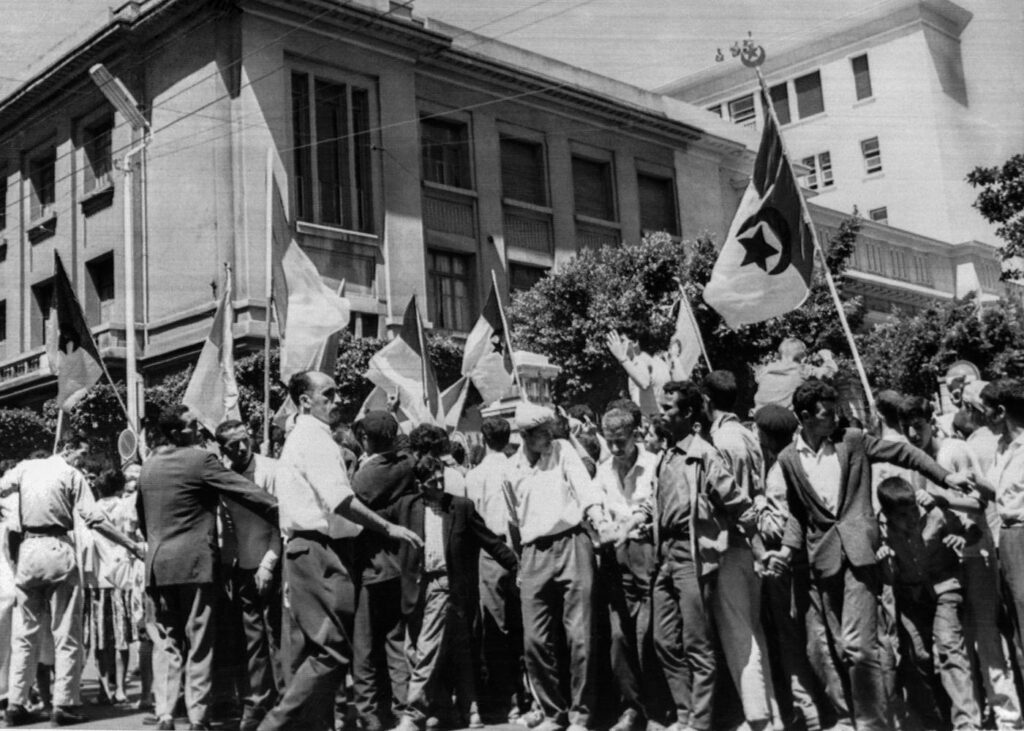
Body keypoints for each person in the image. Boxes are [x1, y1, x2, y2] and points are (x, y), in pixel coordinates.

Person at [764, 379, 974, 731]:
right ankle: (868, 718)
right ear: (804, 417)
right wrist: (786, 551)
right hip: (824, 558)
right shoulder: (787, 459)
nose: (835, 419)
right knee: (843, 649)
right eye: (826, 414)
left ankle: (871, 723)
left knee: (859, 646)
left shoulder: (853, 442)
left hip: (861, 556)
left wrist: (945, 477)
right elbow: (799, 516)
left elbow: (903, 453)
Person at [258, 373, 422, 731]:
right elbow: (341, 501)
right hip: (319, 550)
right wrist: (389, 527)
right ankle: (273, 726)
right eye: (327, 395)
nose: (337, 400)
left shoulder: (306, 437)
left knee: (311, 652)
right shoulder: (314, 439)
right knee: (332, 650)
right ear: (305, 401)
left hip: (308, 550)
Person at [137, 406, 280, 731]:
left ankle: (165, 714)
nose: (200, 431)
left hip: (158, 566)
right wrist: (283, 509)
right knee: (199, 641)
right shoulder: (201, 461)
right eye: (192, 426)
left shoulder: (149, 466)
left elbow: (143, 520)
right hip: (196, 566)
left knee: (167, 641)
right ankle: (199, 718)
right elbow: (244, 490)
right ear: (175, 433)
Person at [624, 380, 755, 731]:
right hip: (663, 554)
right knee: (663, 639)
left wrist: (759, 546)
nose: (661, 413)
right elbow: (657, 500)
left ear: (688, 415)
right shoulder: (665, 456)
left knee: (698, 643)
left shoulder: (703, 455)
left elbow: (738, 502)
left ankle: (700, 721)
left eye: (669, 409)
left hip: (692, 554)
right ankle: (684, 713)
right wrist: (641, 518)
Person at [899, 394, 1024, 729]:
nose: (912, 433)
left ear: (930, 422)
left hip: (977, 554)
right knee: (959, 646)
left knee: (987, 639)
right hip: (947, 562)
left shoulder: (951, 451)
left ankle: (1008, 718)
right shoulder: (917, 460)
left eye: (918, 425)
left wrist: (942, 497)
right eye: (906, 427)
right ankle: (978, 716)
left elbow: (979, 502)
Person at [0, 437, 141, 727]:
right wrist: (131, 544)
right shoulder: (70, 474)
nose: (83, 459)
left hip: (28, 551)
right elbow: (94, 518)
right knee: (66, 631)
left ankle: (16, 703)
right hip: (57, 548)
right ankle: (63, 703)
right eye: (82, 452)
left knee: (24, 633)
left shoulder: (26, 468)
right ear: (66, 449)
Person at [386, 455, 518, 731]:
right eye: (433, 481)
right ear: (420, 484)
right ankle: (465, 710)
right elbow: (378, 523)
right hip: (416, 588)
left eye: (441, 479)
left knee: (426, 647)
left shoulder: (461, 507)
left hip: (447, 586)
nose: (439, 484)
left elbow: (490, 540)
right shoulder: (405, 507)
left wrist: (517, 565)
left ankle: (413, 713)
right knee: (449, 650)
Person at [503, 402, 613, 731]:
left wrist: (600, 521)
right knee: (535, 641)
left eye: (551, 430)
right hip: (533, 553)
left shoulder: (563, 450)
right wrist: (521, 563)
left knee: (580, 636)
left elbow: (586, 490)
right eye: (542, 433)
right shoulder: (510, 469)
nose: (550, 437)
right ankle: (553, 713)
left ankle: (581, 714)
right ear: (524, 435)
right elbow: (512, 520)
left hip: (572, 544)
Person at [701, 371, 778, 731]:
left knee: (739, 634)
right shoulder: (747, 434)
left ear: (706, 401)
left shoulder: (718, 442)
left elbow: (727, 498)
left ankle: (757, 717)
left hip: (732, 544)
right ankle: (770, 712)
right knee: (753, 628)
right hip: (753, 542)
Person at [875, 476, 982, 730]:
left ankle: (967, 723)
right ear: (888, 516)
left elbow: (974, 530)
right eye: (902, 515)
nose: (911, 518)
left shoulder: (935, 512)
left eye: (913, 510)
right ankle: (939, 718)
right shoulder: (881, 528)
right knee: (920, 657)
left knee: (948, 646)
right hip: (912, 596)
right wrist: (884, 563)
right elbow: (889, 579)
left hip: (945, 586)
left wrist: (964, 540)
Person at [754, 406, 827, 731]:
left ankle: (809, 710)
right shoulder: (800, 459)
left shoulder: (777, 471)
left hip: (787, 562)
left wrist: (756, 511)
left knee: (792, 637)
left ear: (765, 436)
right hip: (810, 557)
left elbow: (777, 525)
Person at [214, 419, 284, 731]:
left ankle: (285, 705)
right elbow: (227, 527)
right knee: (253, 643)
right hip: (243, 569)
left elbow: (280, 520)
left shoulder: (271, 469)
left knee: (277, 639)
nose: (242, 447)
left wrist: (268, 563)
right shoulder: (224, 478)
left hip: (271, 563)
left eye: (245, 440)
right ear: (222, 449)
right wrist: (230, 568)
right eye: (233, 445)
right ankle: (259, 702)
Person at [593, 407, 660, 731]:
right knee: (620, 637)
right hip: (614, 559)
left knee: (650, 634)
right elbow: (596, 505)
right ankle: (631, 708)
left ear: (636, 434)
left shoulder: (654, 465)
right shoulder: (603, 470)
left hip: (647, 554)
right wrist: (604, 526)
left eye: (621, 442)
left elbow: (652, 507)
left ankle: (660, 709)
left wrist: (629, 525)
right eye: (610, 443)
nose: (616, 449)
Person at [351, 410, 418, 731]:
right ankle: (405, 709)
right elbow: (403, 442)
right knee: (396, 642)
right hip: (398, 565)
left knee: (363, 646)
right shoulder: (407, 464)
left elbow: (345, 502)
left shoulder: (366, 475)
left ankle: (369, 716)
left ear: (366, 439)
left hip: (369, 566)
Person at [465, 417, 525, 723]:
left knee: (497, 626)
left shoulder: (476, 476)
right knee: (522, 622)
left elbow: (474, 521)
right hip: (521, 549)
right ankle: (522, 693)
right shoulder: (517, 467)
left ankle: (506, 696)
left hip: (491, 552)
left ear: (484, 440)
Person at [753, 338, 837, 413]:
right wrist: (827, 358)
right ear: (803, 357)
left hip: (760, 418)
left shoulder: (765, 370)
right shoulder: (802, 370)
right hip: (785, 420)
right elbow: (829, 373)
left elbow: (758, 378)